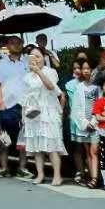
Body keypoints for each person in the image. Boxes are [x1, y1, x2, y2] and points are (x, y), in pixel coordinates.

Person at [21, 48, 65, 185]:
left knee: (51, 144)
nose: (35, 59)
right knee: (36, 146)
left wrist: (38, 71)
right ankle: (40, 174)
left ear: (44, 58)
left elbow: (51, 87)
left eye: (38, 56)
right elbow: (25, 96)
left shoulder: (50, 72)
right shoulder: (27, 76)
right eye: (32, 56)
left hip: (48, 111)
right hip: (33, 112)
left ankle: (57, 175)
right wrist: (24, 115)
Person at [0, 36, 29, 178]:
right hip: (6, 104)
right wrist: (0, 101)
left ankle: (22, 167)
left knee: (24, 137)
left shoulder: (27, 62)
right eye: (12, 42)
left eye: (18, 42)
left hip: (24, 105)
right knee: (3, 136)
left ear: (23, 44)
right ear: (7, 45)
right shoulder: (1, 63)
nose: (16, 45)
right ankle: (3, 167)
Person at [64, 57, 98, 187]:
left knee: (94, 151)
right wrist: (85, 123)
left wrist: (94, 121)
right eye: (83, 69)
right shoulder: (78, 87)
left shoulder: (98, 86)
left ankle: (96, 177)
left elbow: (100, 104)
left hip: (97, 123)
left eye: (88, 68)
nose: (85, 71)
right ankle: (92, 177)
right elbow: (76, 108)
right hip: (83, 125)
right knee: (88, 151)